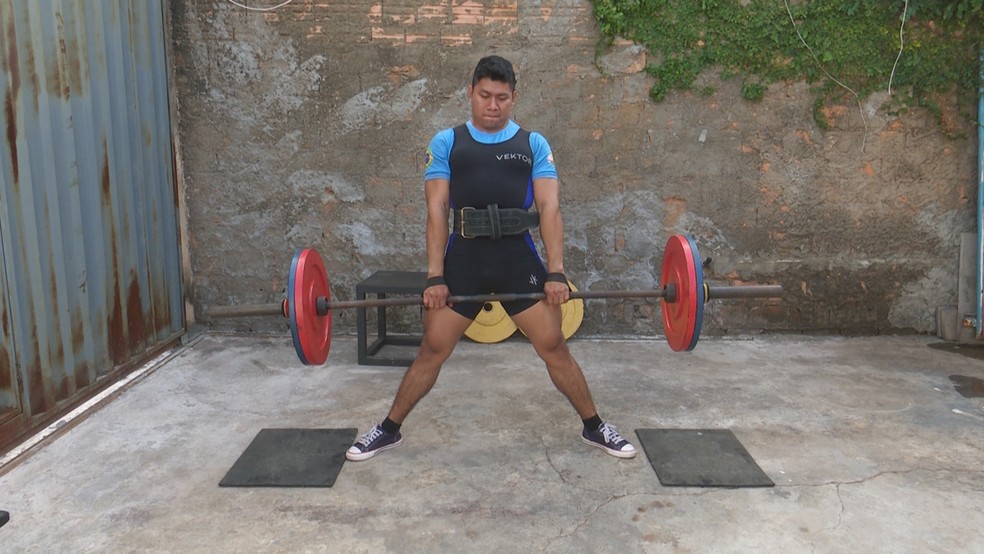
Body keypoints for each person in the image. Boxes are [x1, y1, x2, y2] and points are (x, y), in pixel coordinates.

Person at [347, 55, 636, 462]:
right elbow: (436, 210)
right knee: (432, 349)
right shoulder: (447, 142)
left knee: (553, 345)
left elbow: (550, 209)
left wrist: (556, 271)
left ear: (514, 98)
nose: (493, 105)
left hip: (517, 258)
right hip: (464, 259)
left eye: (502, 97)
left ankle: (595, 427)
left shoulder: (533, 144)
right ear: (470, 93)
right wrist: (434, 277)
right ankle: (388, 429)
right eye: (485, 96)